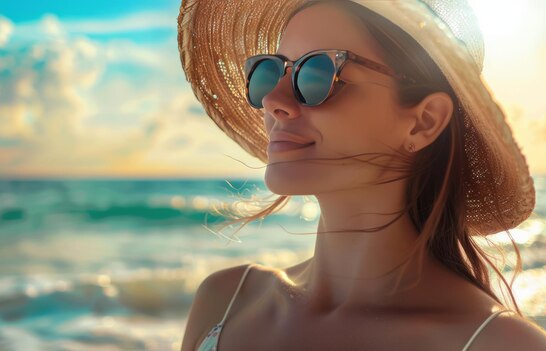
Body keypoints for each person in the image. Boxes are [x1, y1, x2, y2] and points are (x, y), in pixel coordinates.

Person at [177, 0, 546, 350]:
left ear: (423, 121)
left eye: (317, 72)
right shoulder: (224, 300)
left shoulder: (497, 344)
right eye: (269, 71)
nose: (275, 99)